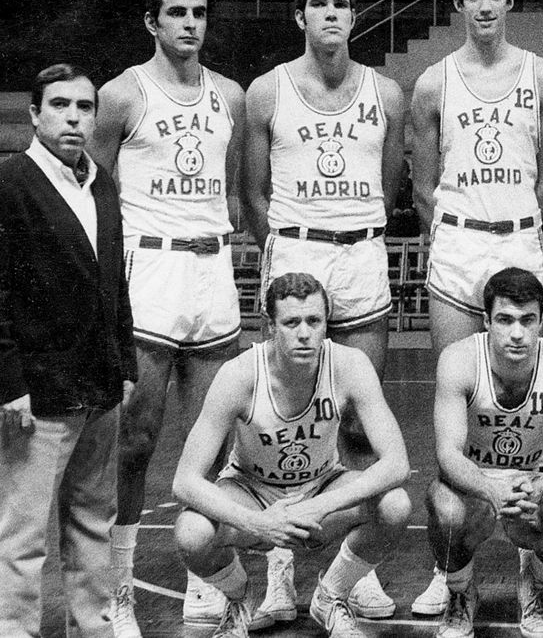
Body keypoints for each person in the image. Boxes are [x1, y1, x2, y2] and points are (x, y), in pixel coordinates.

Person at [241, 0, 406, 623]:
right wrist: (287, 256)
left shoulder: (385, 92)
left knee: (360, 420)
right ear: (300, 16)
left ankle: (355, 575)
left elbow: (389, 186)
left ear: (354, 16)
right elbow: (253, 193)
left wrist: (352, 229)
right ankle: (279, 575)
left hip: (360, 251)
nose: (331, 12)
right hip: (296, 249)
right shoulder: (267, 91)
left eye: (341, 3)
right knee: (280, 421)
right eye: (318, 3)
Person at [89, 0, 245, 633]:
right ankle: (118, 586)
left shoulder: (231, 96)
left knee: (212, 439)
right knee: (136, 438)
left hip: (212, 270)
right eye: (177, 12)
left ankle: (203, 577)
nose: (190, 23)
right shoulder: (122, 94)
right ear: (151, 20)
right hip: (148, 268)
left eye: (199, 12)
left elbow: (231, 190)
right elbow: (92, 192)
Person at [407, 0, 543, 614]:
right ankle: (451, 569)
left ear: (510, 2)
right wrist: (454, 228)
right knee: (456, 397)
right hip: (458, 244)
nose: (485, 5)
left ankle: (531, 559)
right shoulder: (432, 82)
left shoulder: (541, 75)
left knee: (528, 404)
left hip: (518, 241)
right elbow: (421, 184)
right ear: (458, 4)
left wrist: (516, 223)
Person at [172, 272, 412, 638]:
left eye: (314, 321)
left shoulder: (349, 365)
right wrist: (257, 523)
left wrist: (318, 506)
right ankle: (239, 598)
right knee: (192, 532)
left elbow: (397, 463)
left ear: (326, 323)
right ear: (270, 326)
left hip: (321, 488)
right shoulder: (239, 375)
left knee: (395, 505)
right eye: (291, 323)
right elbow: (185, 481)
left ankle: (331, 596)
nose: (304, 333)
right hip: (253, 492)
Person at [0, 63, 137, 638]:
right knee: (22, 535)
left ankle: (92, 628)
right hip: (36, 396)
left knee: (92, 524)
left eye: (84, 107)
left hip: (100, 387)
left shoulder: (102, 183)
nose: (74, 118)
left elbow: (114, 281)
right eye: (60, 105)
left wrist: (125, 363)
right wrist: (8, 384)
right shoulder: (10, 183)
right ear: (35, 115)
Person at [425, 267, 543, 638]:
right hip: (475, 484)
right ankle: (461, 593)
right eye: (505, 320)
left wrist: (539, 490)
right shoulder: (459, 360)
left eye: (527, 320)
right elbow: (448, 455)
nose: (517, 333)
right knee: (445, 508)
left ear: (542, 321)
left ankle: (536, 586)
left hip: (534, 484)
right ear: (486, 321)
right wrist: (491, 490)